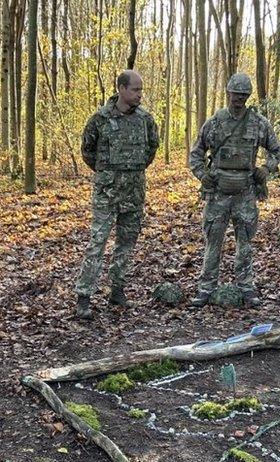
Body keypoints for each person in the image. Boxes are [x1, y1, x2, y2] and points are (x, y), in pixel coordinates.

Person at [187, 73, 280, 308]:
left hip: (245, 191)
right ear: (227, 93)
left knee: (245, 242)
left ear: (248, 96)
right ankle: (206, 288)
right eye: (235, 94)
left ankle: (246, 286)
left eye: (243, 95)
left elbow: (277, 151)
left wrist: (266, 169)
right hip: (218, 191)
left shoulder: (258, 123)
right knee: (213, 241)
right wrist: (203, 175)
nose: (238, 99)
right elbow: (195, 153)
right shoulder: (214, 122)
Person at [74, 69, 159, 319]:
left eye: (141, 90)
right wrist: (108, 174)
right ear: (121, 89)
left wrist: (132, 170)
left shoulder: (145, 119)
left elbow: (152, 148)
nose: (140, 95)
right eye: (135, 90)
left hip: (134, 191)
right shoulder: (100, 119)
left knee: (126, 243)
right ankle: (84, 297)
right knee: (97, 244)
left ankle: (117, 290)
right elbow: (87, 151)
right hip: (107, 193)